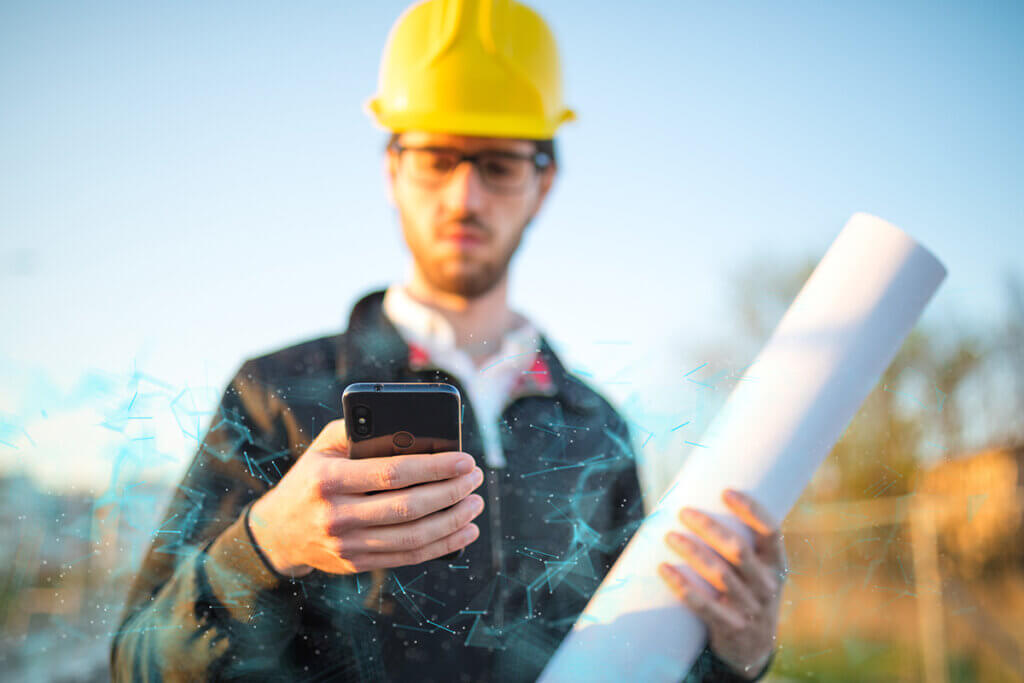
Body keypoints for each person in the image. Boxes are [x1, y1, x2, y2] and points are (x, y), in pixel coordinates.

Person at [111, 0, 786, 680]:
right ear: (393, 171)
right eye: (437, 159)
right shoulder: (273, 395)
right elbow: (138, 661)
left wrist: (736, 658)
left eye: (499, 165)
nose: (465, 197)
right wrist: (264, 547)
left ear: (543, 184)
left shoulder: (598, 430)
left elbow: (639, 666)